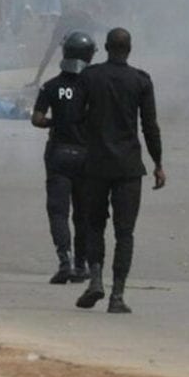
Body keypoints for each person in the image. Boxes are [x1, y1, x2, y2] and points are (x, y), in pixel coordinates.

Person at [75, 28, 165, 314]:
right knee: (124, 233)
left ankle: (95, 281)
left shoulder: (89, 77)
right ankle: (117, 295)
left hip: (95, 165)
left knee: (94, 226)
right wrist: (158, 163)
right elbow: (149, 126)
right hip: (128, 167)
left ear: (105, 47)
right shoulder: (140, 81)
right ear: (130, 49)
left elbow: (76, 117)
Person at [31, 31, 96, 284]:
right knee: (83, 213)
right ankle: (81, 265)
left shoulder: (51, 86)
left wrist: (56, 122)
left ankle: (64, 261)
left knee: (58, 212)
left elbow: (37, 119)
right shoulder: (94, 87)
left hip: (58, 153)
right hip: (86, 155)